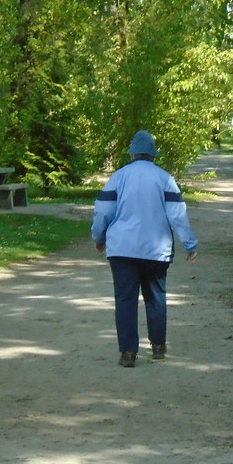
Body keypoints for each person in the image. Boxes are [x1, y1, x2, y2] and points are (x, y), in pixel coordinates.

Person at [91, 130, 198, 368]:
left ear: (132, 154)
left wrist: (99, 237)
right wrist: (189, 244)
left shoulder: (118, 177)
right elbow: (178, 215)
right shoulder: (164, 179)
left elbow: (103, 211)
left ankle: (128, 352)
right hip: (155, 249)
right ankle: (158, 346)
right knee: (156, 296)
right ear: (152, 155)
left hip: (122, 249)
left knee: (125, 299)